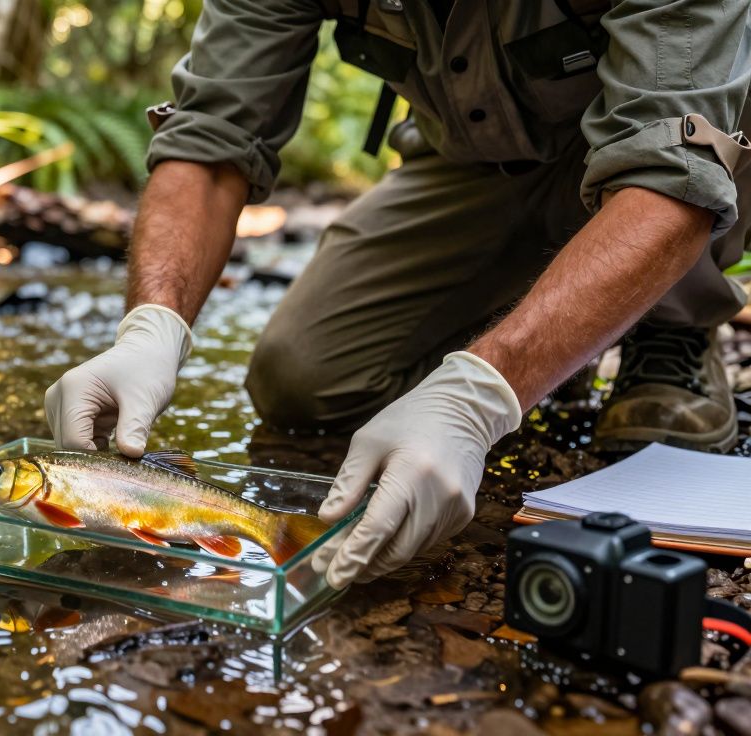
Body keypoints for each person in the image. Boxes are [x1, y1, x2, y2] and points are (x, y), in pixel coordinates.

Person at [44, 0, 751, 590]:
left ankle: (671, 331)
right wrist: (151, 326)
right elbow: (209, 140)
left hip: (666, 148)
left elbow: (670, 174)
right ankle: (545, 342)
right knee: (302, 377)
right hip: (474, 167)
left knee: (702, 141)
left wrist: (479, 396)